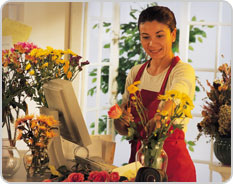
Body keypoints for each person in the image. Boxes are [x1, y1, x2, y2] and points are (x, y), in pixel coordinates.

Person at [114, 6, 196, 182]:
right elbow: (123, 128)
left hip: (173, 169)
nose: (152, 44)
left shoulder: (182, 71)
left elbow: (175, 96)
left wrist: (160, 117)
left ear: (173, 35)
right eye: (145, 37)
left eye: (160, 36)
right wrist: (120, 120)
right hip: (138, 166)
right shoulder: (135, 73)